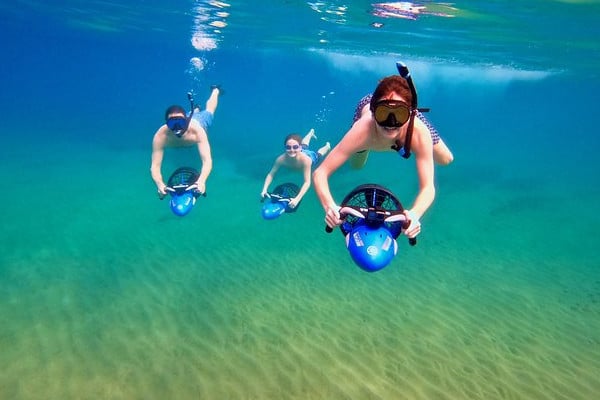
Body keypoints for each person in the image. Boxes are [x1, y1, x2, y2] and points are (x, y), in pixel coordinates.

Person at [313, 71, 453, 239]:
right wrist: (329, 207)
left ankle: (400, 113)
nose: (391, 122)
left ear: (409, 114)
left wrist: (415, 215)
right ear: (374, 112)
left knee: (446, 159)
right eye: (383, 114)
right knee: (357, 165)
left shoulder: (418, 132)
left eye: (399, 114)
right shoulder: (361, 130)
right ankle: (369, 137)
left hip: (408, 125)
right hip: (368, 114)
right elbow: (320, 173)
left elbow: (428, 188)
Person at [150, 86, 220, 199]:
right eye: (173, 124)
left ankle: (215, 90)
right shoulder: (161, 136)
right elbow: (155, 166)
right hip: (188, 118)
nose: (177, 128)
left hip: (199, 121)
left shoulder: (197, 132)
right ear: (167, 124)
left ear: (186, 121)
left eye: (180, 123)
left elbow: (207, 161)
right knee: (185, 115)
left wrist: (202, 181)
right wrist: (159, 184)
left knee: (209, 111)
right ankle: (195, 109)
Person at [261, 129, 331, 209]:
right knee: (305, 146)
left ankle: (327, 146)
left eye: (295, 147)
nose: (292, 150)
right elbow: (271, 174)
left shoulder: (306, 161)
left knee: (318, 155)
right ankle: (311, 133)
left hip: (309, 157)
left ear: (299, 147)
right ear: (285, 147)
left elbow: (307, 182)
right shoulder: (281, 159)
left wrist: (297, 199)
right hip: (301, 151)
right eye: (288, 147)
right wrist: (264, 189)